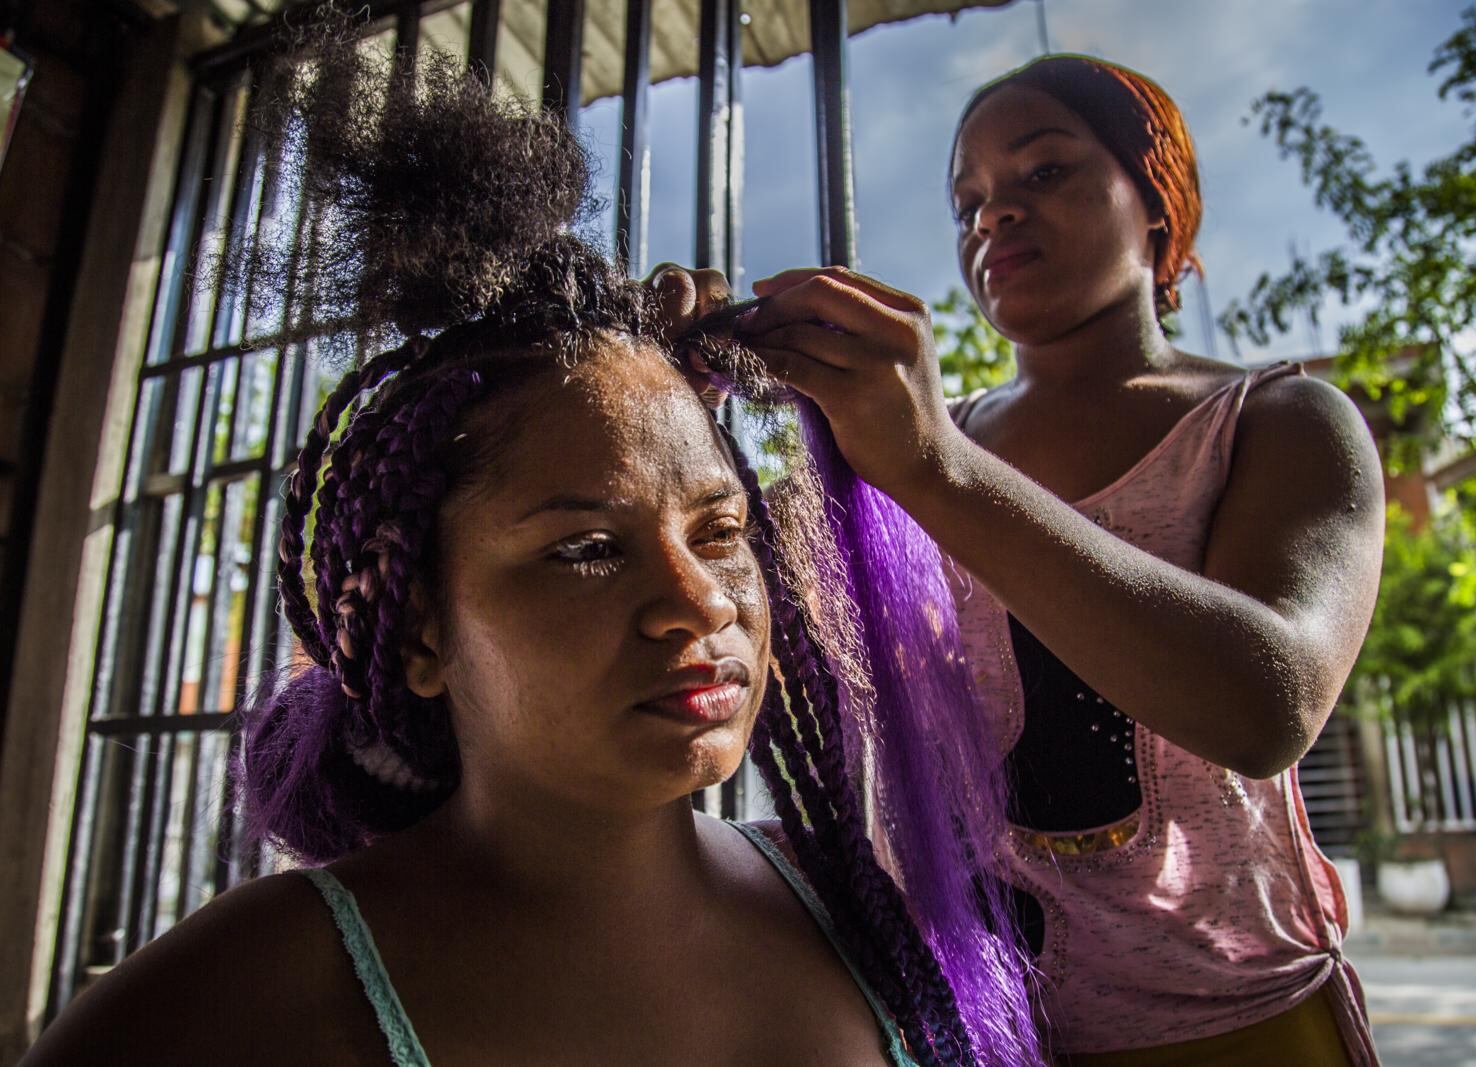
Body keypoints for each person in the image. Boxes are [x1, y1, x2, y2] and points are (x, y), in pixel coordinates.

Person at [21, 28, 983, 1067]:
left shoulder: (850, 903)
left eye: (719, 531)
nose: (699, 601)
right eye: (584, 548)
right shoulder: (247, 997)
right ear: (422, 627)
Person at [674, 54, 1386, 1065]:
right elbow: (724, 603)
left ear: (1153, 197)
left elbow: (1265, 705)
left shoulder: (1275, 421)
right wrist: (680, 404)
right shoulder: (901, 448)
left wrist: (942, 470)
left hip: (1230, 1028)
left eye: (1042, 173)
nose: (992, 217)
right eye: (969, 200)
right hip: (959, 1030)